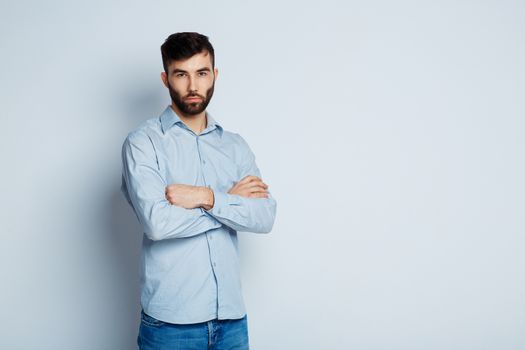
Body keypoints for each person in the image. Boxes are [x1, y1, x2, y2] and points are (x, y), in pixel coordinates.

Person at [120, 32, 277, 350]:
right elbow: (158, 224)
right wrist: (231, 203)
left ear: (214, 75)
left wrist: (207, 197)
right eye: (181, 74)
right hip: (170, 326)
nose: (193, 86)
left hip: (232, 321)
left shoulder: (234, 146)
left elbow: (264, 216)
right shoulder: (143, 143)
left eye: (202, 73)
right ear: (166, 79)